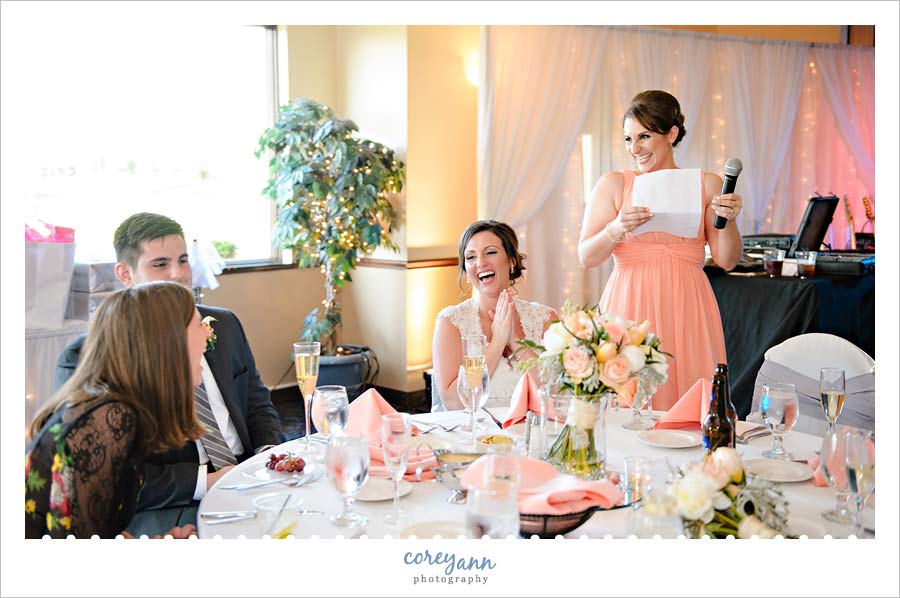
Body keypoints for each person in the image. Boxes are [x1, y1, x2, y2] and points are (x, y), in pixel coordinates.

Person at [54, 212, 284, 535]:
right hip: (172, 504)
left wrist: (268, 458)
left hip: (249, 475)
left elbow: (258, 404)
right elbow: (111, 479)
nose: (178, 275)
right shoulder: (90, 357)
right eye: (160, 264)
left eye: (183, 260)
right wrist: (206, 481)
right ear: (125, 274)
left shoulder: (224, 324)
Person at [578, 90, 743, 411]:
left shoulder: (706, 184)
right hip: (630, 304)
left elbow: (727, 260)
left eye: (644, 136)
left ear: (672, 134)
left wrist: (731, 220)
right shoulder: (614, 184)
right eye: (628, 139)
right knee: (630, 400)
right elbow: (587, 257)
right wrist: (617, 228)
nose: (634, 149)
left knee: (690, 408)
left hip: (688, 305)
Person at [27, 282, 207, 538]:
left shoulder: (115, 409)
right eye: (199, 324)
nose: (207, 334)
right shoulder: (106, 421)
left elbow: (96, 525)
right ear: (168, 343)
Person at [432, 220, 557, 412]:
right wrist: (498, 342)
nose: (480, 263)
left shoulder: (545, 318)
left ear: (511, 261)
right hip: (474, 433)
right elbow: (453, 403)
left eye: (490, 252)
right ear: (466, 271)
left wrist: (516, 341)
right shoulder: (450, 322)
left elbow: (558, 393)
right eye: (471, 257)